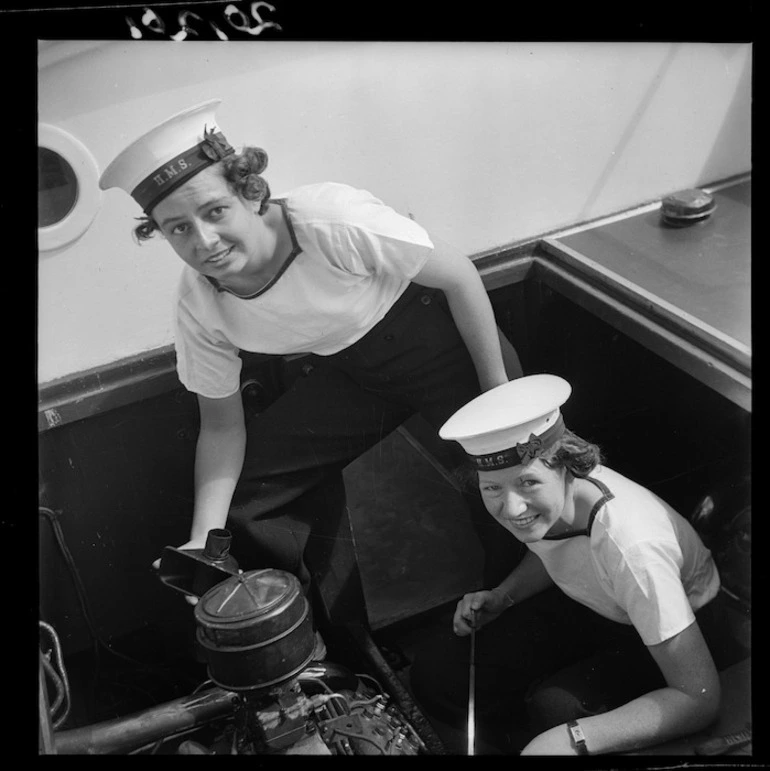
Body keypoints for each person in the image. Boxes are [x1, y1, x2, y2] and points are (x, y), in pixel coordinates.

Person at [98, 99, 523, 620]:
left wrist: (498, 393)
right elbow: (223, 429)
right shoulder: (198, 304)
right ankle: (318, 638)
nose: (204, 241)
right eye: (178, 228)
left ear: (249, 192)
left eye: (215, 211)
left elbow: (459, 277)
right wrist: (201, 544)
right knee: (248, 496)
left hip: (444, 338)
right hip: (355, 370)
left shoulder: (328, 220)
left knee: (506, 477)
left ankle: (507, 609)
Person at [409, 374, 747, 755]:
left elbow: (699, 698)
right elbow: (557, 548)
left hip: (683, 628)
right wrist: (504, 596)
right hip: (604, 602)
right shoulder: (548, 507)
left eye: (528, 483)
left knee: (557, 711)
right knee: (440, 675)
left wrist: (569, 740)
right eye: (492, 488)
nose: (511, 508)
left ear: (567, 466)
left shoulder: (631, 545)